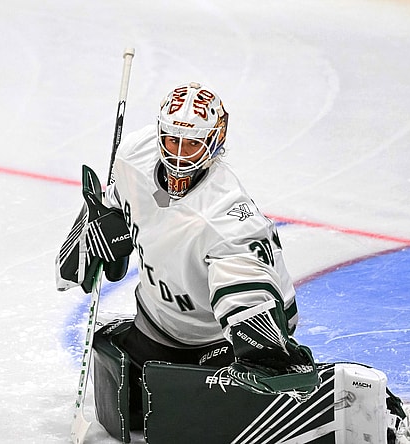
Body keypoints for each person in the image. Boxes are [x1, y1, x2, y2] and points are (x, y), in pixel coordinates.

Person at [57, 82, 318, 440]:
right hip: (154, 327)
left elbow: (248, 290)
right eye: (172, 140)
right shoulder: (134, 154)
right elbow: (114, 204)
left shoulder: (224, 216)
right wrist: (98, 228)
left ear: (214, 142)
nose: (179, 155)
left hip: (215, 344)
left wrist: (265, 349)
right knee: (129, 416)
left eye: (192, 143)